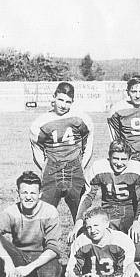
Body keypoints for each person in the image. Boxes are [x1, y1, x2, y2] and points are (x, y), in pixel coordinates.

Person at [0, 171, 62, 277]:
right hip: (19, 256)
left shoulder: (50, 211)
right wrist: (7, 260)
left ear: (40, 194)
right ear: (18, 193)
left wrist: (29, 268)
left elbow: (53, 249)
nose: (28, 197)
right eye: (24, 193)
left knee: (51, 274)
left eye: (33, 193)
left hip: (40, 258)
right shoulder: (12, 211)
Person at [71, 140, 140, 260]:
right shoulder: (99, 166)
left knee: (137, 255)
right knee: (100, 250)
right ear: (109, 156)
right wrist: (79, 220)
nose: (119, 163)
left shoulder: (138, 168)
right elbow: (88, 196)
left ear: (130, 158)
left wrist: (137, 221)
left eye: (123, 159)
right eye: (115, 158)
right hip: (108, 212)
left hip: (131, 212)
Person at [44, 208, 135, 277]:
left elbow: (126, 273)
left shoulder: (122, 240)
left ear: (107, 224)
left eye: (96, 225)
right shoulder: (81, 241)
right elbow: (70, 271)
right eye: (88, 227)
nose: (92, 230)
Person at [30, 82, 94, 221]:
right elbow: (37, 150)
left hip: (74, 167)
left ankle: (83, 242)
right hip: (53, 169)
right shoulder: (40, 123)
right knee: (44, 214)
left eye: (68, 102)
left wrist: (81, 165)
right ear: (53, 97)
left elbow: (88, 143)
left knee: (82, 215)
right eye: (60, 100)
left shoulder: (82, 118)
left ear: (73, 102)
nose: (63, 105)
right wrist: (46, 167)